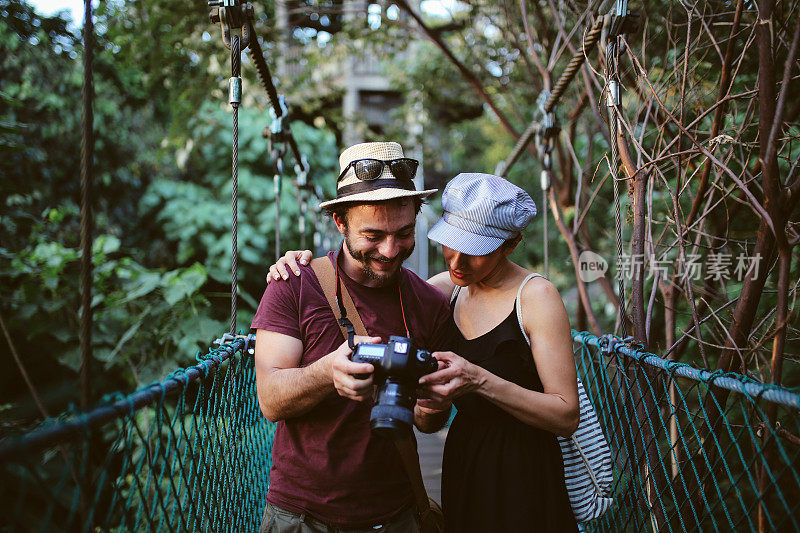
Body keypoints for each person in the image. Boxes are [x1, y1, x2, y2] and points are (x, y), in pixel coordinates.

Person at [268, 172, 580, 532]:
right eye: (451, 243)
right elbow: (426, 414)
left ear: (511, 244)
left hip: (523, 468)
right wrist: (302, 267)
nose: (458, 262)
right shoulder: (444, 291)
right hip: (464, 461)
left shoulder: (537, 296)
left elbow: (566, 416)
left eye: (476, 251)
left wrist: (477, 380)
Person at [251, 141, 457, 533]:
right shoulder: (294, 285)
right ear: (340, 223)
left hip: (396, 513)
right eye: (373, 235)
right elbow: (270, 400)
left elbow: (429, 423)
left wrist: (433, 405)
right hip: (302, 516)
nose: (391, 249)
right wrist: (329, 370)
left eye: (404, 232)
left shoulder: (430, 304)